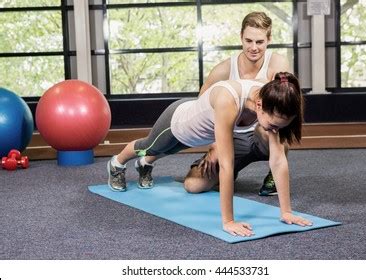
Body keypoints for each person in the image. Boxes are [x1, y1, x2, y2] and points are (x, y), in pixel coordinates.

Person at [107, 72, 312, 237]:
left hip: (198, 136)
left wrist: (286, 212)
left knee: (168, 150)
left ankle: (145, 165)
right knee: (149, 147)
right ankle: (117, 164)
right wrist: (229, 221)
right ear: (259, 106)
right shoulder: (229, 101)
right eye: (273, 125)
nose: (274, 130)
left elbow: (278, 160)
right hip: (178, 124)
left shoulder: (272, 97)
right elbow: (226, 165)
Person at [186, 11, 290, 196]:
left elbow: (287, 106)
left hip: (262, 135)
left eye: (259, 42)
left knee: (272, 127)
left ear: (269, 39)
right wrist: (215, 145)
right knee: (193, 185)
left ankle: (274, 175)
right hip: (231, 138)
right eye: (248, 41)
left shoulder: (278, 64)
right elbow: (201, 108)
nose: (253, 47)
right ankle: (229, 169)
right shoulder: (224, 70)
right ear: (241, 37)